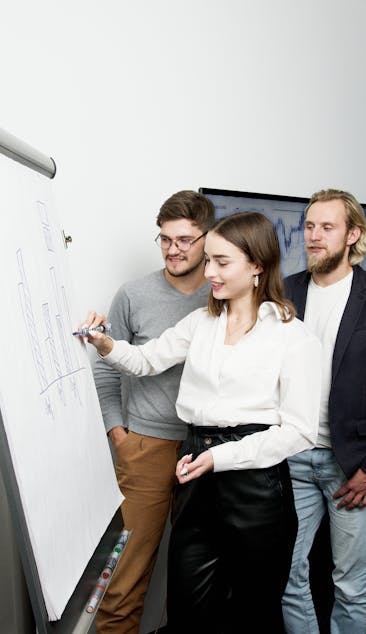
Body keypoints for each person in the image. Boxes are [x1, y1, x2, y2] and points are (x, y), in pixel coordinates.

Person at [81, 211, 322, 634]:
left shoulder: (294, 337)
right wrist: (105, 344)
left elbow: (299, 431)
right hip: (194, 473)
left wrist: (219, 457)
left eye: (221, 262)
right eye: (207, 259)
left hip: (256, 490)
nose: (208, 271)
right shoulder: (201, 323)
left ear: (257, 266)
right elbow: (145, 360)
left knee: (252, 615)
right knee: (188, 612)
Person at [93, 190, 215, 634]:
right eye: (165, 239)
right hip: (144, 446)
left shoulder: (222, 296)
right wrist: (117, 432)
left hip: (208, 448)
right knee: (125, 575)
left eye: (184, 240)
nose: (173, 249)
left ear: (208, 239)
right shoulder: (133, 294)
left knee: (199, 574)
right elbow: (107, 367)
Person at [282, 189, 366, 634]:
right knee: (286, 574)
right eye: (309, 226)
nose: (314, 236)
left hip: (350, 465)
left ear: (353, 234)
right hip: (292, 455)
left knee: (351, 585)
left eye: (327, 227)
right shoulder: (286, 290)